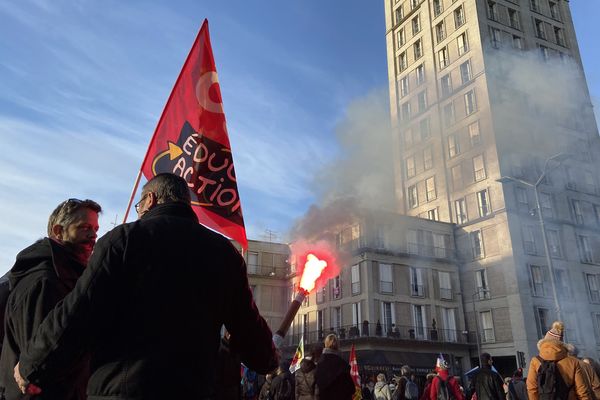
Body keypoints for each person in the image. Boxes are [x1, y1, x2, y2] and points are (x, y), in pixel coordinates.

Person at [14, 173, 278, 399]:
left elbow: (78, 312)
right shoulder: (226, 254)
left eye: (139, 206)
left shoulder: (123, 239)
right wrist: (268, 359)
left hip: (122, 390)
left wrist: (32, 365)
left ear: (150, 200)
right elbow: (253, 337)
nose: (138, 212)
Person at [0, 198, 101, 400]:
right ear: (58, 231)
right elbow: (40, 360)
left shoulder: (67, 278)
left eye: (96, 229)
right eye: (84, 227)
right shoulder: (45, 281)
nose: (93, 235)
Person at [526, 321, 592, 400]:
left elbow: (531, 388)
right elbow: (582, 391)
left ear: (544, 342)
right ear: (561, 343)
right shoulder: (573, 362)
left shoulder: (535, 361)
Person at [315, 333, 356, 399]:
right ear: (337, 346)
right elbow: (351, 389)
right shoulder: (342, 364)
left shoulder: (319, 364)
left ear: (326, 344)